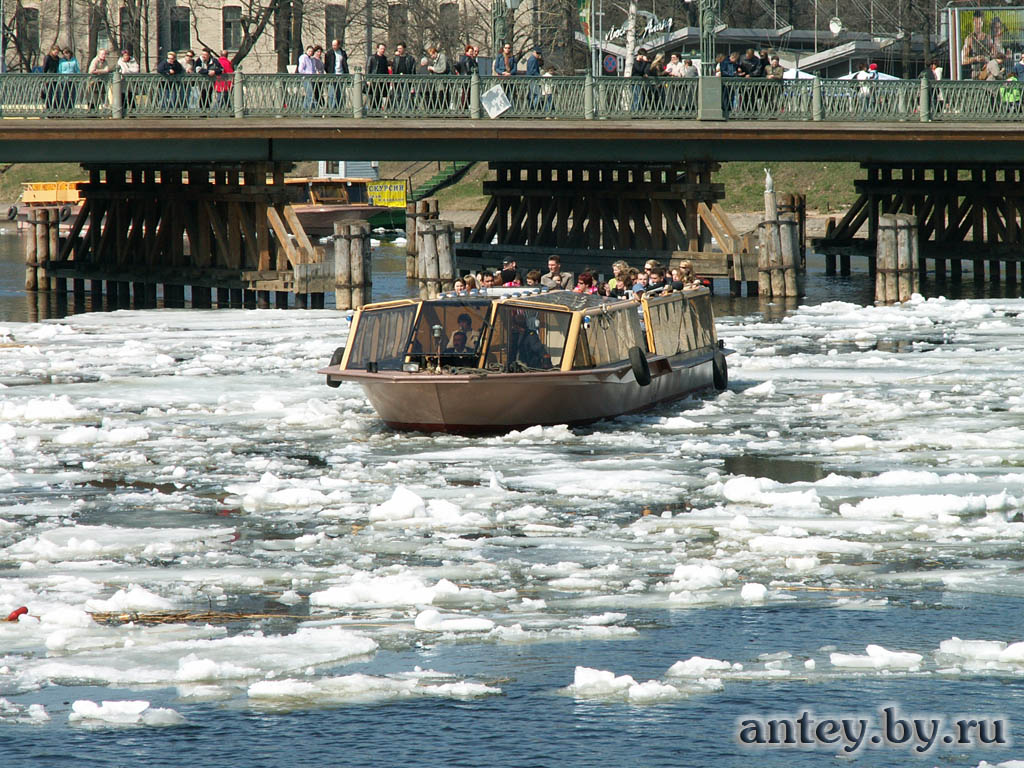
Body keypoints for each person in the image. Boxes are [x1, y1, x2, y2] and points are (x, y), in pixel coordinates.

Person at [962, 10, 991, 80]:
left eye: (979, 23)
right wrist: (975, 59)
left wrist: (986, 59)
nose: (978, 26)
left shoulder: (988, 38)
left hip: (988, 72)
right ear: (973, 22)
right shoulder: (969, 39)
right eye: (976, 23)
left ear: (982, 23)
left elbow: (995, 56)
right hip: (976, 74)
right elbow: (963, 60)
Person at [324, 39, 349, 110]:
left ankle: (338, 108)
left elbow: (345, 64)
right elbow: (326, 65)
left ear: (339, 45)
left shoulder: (342, 53)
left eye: (335, 45)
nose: (333, 46)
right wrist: (329, 72)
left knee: (339, 93)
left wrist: (346, 73)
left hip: (341, 75)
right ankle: (331, 108)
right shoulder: (329, 53)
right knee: (331, 93)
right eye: (332, 45)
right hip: (332, 75)